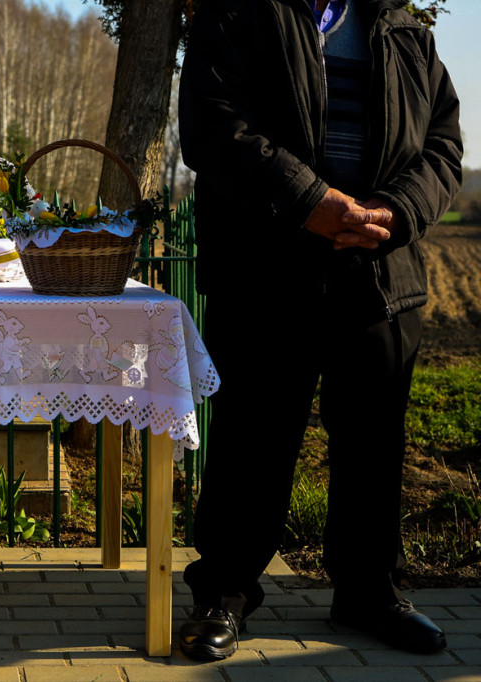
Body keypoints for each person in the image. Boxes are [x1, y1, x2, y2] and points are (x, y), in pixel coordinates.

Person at [177, 0, 461, 662]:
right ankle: (224, 593)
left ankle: (369, 594)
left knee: (373, 442)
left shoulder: (404, 30)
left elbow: (443, 144)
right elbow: (213, 125)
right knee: (253, 436)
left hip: (380, 272)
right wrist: (313, 204)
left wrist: (396, 210)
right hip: (265, 269)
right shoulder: (239, 13)